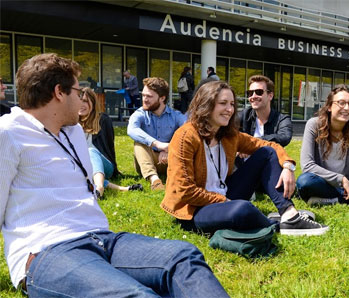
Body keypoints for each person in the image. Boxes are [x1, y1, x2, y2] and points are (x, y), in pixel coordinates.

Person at [0, 53, 228, 297]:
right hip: (48, 251)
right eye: (78, 91)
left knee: (184, 257)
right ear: (59, 92)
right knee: (134, 294)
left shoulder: (74, 132)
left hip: (102, 239)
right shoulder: (9, 134)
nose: (82, 99)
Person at [162, 81, 329, 236]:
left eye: (232, 104)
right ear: (206, 104)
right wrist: (224, 201)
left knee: (266, 154)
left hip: (225, 194)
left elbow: (269, 146)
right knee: (242, 208)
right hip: (195, 209)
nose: (230, 109)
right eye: (223, 103)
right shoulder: (185, 137)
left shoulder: (228, 134)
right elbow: (185, 190)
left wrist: (287, 166)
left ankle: (289, 214)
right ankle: (276, 225)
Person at [79, 87, 143, 197]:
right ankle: (123, 189)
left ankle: (99, 188)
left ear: (93, 103)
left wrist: (115, 170)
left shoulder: (103, 120)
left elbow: (109, 147)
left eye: (85, 101)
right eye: (78, 101)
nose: (81, 105)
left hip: (104, 165)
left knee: (91, 151)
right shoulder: (71, 124)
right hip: (84, 166)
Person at [127, 77, 187, 191]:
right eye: (143, 95)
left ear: (162, 98)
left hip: (169, 160)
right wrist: (157, 144)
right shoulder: (140, 113)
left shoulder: (176, 116)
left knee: (184, 141)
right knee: (139, 142)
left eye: (149, 96)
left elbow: (189, 131)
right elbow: (131, 130)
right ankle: (155, 181)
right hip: (146, 161)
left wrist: (168, 148)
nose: (144, 99)